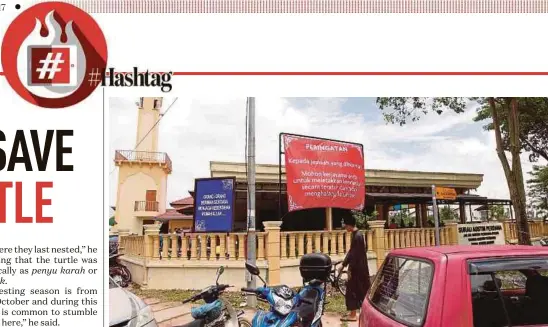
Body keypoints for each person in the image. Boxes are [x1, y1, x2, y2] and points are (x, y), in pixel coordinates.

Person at [339, 215, 370, 321]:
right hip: (360, 269)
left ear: (349, 225)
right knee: (361, 291)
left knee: (352, 291)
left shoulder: (357, 236)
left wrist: (349, 269)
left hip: (357, 270)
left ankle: (352, 315)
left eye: (345, 226)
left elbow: (355, 255)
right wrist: (343, 264)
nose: (345, 228)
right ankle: (362, 313)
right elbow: (351, 252)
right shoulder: (357, 235)